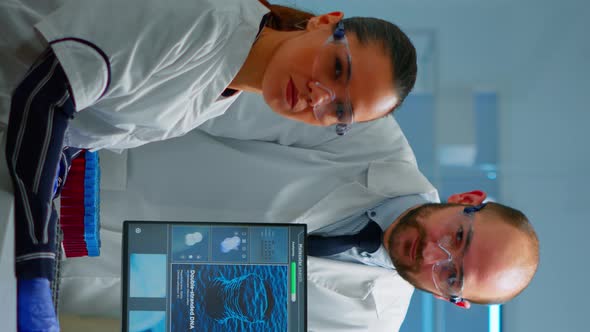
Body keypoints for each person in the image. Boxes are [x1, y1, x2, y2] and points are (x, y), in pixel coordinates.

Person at [0, 0, 419, 330]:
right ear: (324, 22)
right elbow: (47, 97)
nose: (319, 95)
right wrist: (33, 264)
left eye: (341, 110)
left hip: (39, 193)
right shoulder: (208, 20)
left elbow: (101, 117)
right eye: (336, 67)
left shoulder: (217, 93)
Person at [56, 93, 539, 332]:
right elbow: (207, 101)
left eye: (451, 276)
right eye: (458, 238)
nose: (434, 253)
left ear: (453, 300)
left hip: (60, 280)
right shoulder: (365, 134)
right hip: (74, 163)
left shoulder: (363, 325)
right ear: (469, 200)